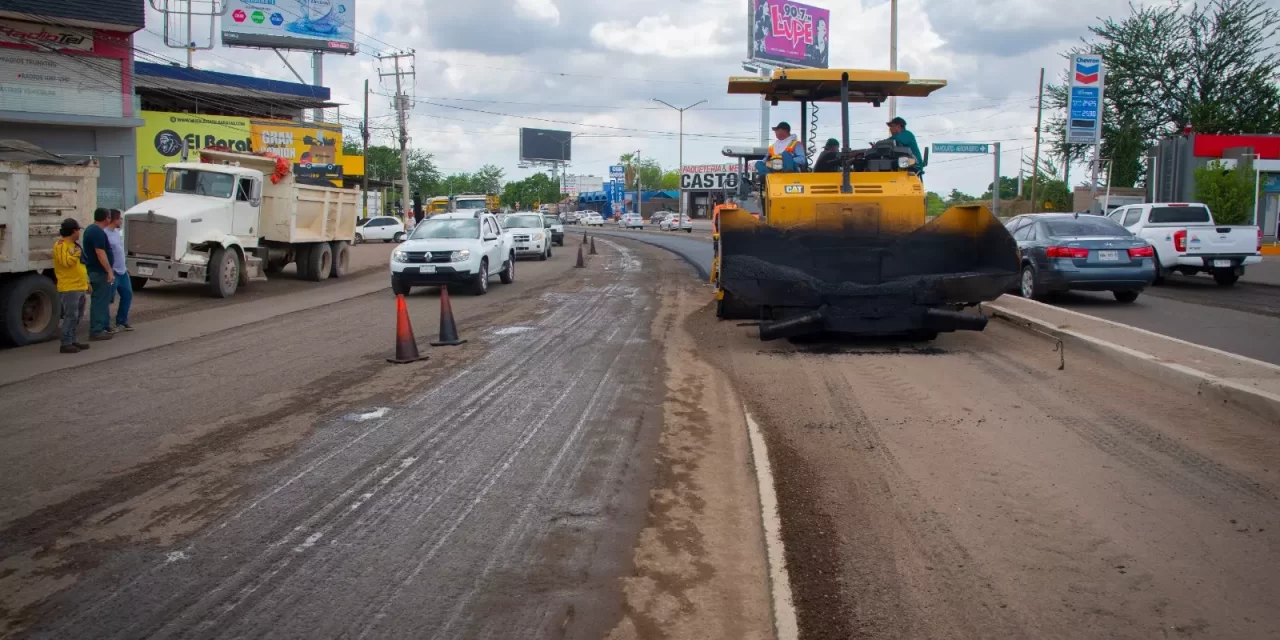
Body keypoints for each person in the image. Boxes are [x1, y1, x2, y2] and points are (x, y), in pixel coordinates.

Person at [53, 218, 91, 353]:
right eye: (78, 230)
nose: (79, 232)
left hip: (79, 285)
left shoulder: (75, 245)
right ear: (73, 231)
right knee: (71, 315)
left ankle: (73, 340)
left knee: (78, 316)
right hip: (69, 287)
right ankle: (66, 343)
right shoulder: (61, 245)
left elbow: (81, 266)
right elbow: (65, 263)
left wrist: (86, 282)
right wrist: (75, 254)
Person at [82, 207, 115, 341]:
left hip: (95, 270)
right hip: (99, 271)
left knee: (101, 300)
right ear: (106, 218)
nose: (110, 219)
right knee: (100, 302)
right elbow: (100, 252)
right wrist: (109, 270)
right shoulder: (97, 232)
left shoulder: (91, 230)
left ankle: (102, 327)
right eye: (109, 217)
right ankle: (97, 330)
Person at [106, 209, 133, 331]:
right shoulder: (105, 234)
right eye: (120, 218)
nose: (122, 221)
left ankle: (122, 321)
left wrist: (125, 267)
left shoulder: (117, 233)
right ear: (115, 219)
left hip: (122, 272)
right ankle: (105, 325)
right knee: (108, 299)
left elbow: (119, 252)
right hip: (113, 272)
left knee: (127, 295)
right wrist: (109, 270)